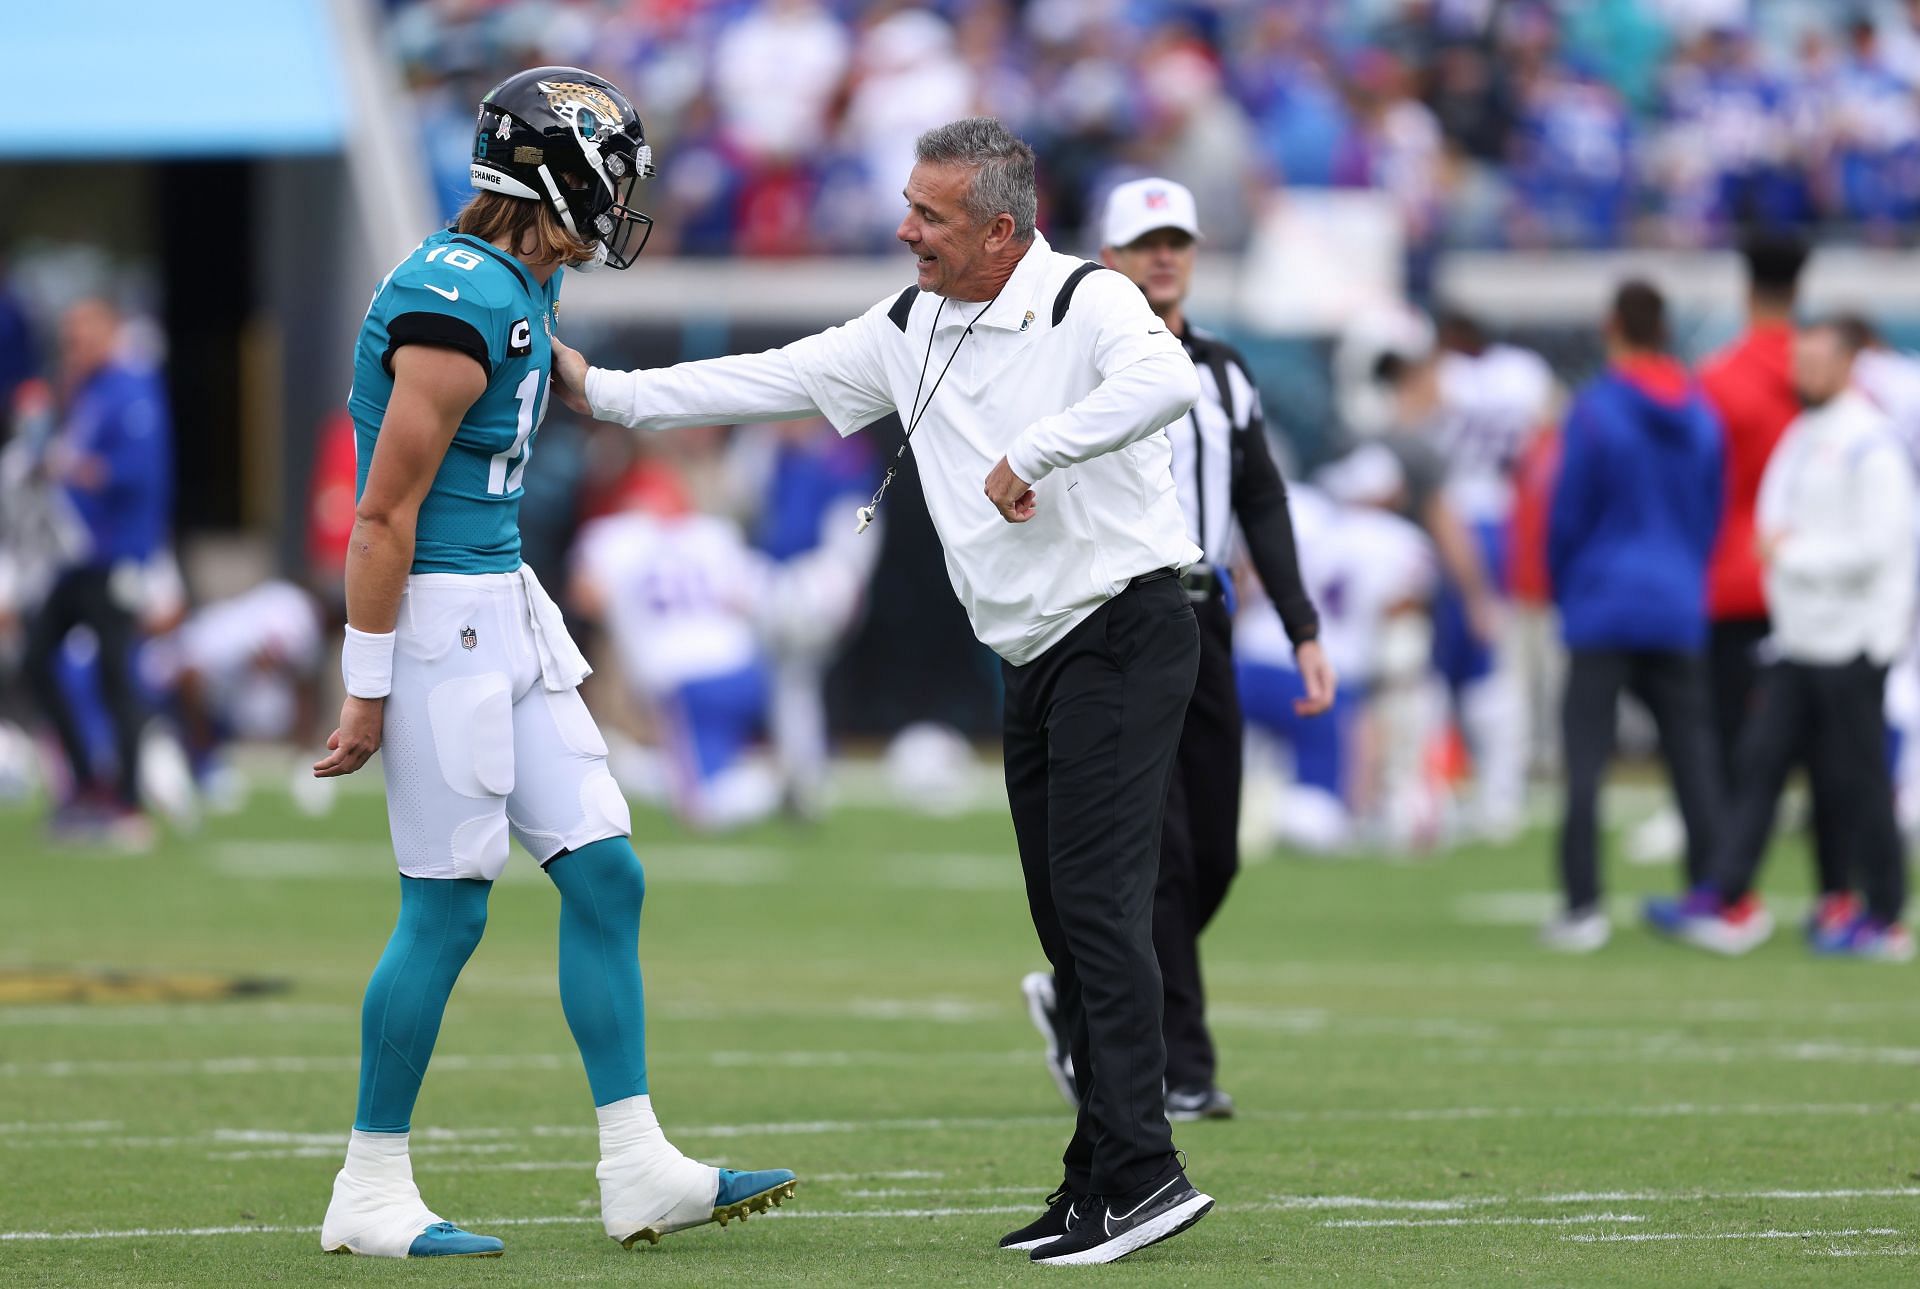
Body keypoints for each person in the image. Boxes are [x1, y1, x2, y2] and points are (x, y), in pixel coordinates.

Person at [555, 117, 1217, 1266]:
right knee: (1068, 919)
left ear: (1004, 229)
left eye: (932, 214)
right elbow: (770, 378)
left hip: (1126, 628)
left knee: (1100, 910)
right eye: (910, 204)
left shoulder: (1087, 301)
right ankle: (1100, 1170)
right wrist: (605, 393)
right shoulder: (909, 323)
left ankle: (1146, 1171)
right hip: (1038, 652)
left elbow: (1169, 379)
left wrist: (1038, 450)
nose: (905, 227)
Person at [309, 66, 793, 1260]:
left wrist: (606, 382)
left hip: (504, 607)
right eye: (612, 171)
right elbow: (380, 516)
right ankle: (370, 1184)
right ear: (558, 171)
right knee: (446, 909)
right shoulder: (456, 298)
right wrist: (367, 682)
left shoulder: (514, 280)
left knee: (607, 872)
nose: (625, 196)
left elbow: (536, 373)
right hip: (439, 621)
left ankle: (639, 1165)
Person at [1017, 176, 1332, 1124]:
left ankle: (1083, 990)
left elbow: (1262, 498)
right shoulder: (1074, 362)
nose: (1165, 256)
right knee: (1161, 856)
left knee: (1216, 853)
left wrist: (1303, 624)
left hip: (1208, 619)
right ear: (1106, 259)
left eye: (1179, 241)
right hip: (1118, 621)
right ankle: (1179, 1065)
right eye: (1146, 241)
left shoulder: (1227, 371)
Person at [1648, 321, 1917, 962]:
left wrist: (1794, 558)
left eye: (1819, 361)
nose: (1805, 372)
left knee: (1858, 779)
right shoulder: (1804, 433)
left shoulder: (1869, 444)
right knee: (1759, 764)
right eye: (1802, 360)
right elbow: (1773, 515)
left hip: (1853, 640)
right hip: (1798, 639)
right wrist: (1780, 559)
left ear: (1849, 365)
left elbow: (1880, 548)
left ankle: (1884, 914)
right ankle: (1726, 894)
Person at [1544, 281, 1723, 953]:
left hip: (1603, 598)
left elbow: (1568, 512)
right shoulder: (1701, 412)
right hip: (1677, 598)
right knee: (1692, 757)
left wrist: (1570, 584)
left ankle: (1584, 905)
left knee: (1587, 758)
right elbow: (1711, 505)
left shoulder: (1595, 411)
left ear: (1612, 325)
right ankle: (1709, 892)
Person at [1692, 230, 1855, 931]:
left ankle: (1734, 891)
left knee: (1737, 749)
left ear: (1743, 288)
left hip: (1737, 581)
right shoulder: (1828, 376)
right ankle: (1836, 894)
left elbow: (1698, 488)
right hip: (1822, 585)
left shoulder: (1719, 378)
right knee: (1833, 752)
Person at [23, 298, 171, 845]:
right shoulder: (82, 393)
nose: (71, 346)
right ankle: (85, 783)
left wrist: (78, 468)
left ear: (109, 332)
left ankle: (128, 805)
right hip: (76, 558)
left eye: (80, 333)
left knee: (117, 675)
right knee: (36, 658)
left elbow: (140, 472)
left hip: (117, 559)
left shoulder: (131, 388)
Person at [571, 487, 782, 831]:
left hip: (685, 679)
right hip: (744, 666)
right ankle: (754, 775)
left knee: (699, 807)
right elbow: (749, 594)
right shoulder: (712, 534)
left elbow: (587, 597)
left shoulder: (610, 539)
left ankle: (768, 788)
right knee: (707, 762)